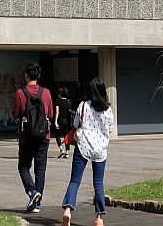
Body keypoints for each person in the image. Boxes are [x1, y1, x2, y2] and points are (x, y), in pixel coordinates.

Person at [61, 76, 114, 226]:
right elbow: (110, 129)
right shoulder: (108, 110)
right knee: (98, 183)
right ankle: (99, 217)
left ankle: (67, 211)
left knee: (75, 180)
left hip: (83, 146)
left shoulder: (83, 106)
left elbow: (76, 123)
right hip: (100, 150)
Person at [12, 62, 54, 214]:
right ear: (39, 75)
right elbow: (49, 115)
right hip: (44, 136)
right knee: (40, 170)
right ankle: (37, 204)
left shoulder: (20, 93)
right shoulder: (46, 93)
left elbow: (15, 114)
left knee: (23, 167)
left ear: (26, 75)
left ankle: (32, 191)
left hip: (26, 136)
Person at [54, 88, 74, 158]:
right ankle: (67, 152)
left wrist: (55, 121)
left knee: (57, 135)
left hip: (60, 120)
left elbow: (57, 112)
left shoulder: (58, 101)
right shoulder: (68, 101)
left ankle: (61, 149)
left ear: (59, 94)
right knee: (66, 136)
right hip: (67, 121)